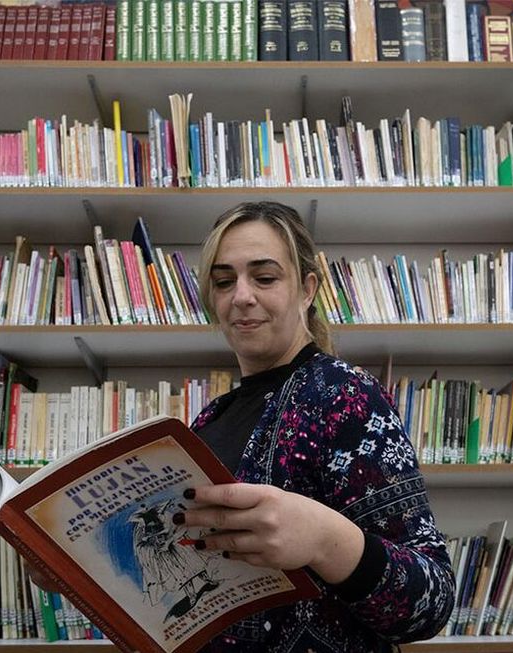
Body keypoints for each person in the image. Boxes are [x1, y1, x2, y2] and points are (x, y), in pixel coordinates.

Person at [177, 201, 455, 652]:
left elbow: (432, 599)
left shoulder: (344, 394)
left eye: (264, 277)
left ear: (307, 289)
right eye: (224, 281)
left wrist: (326, 540)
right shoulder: (209, 418)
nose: (241, 296)